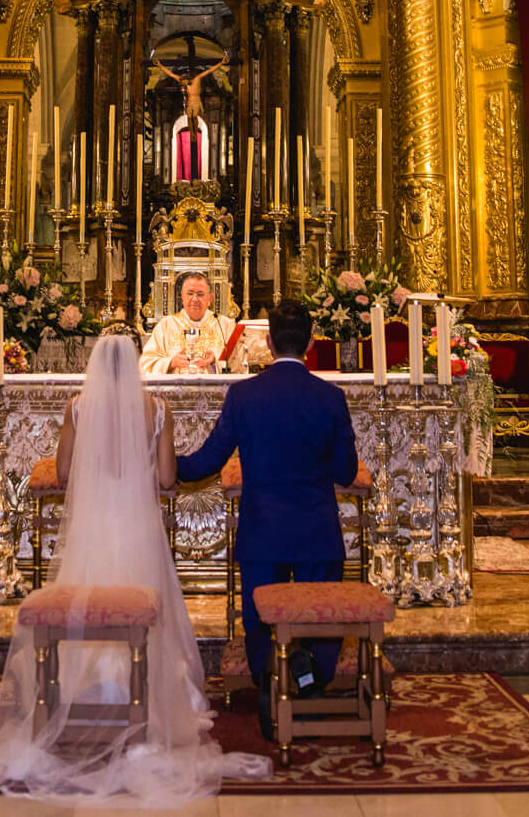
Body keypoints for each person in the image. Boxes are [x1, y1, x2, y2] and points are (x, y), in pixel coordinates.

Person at [0, 338, 269, 802]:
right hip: (138, 529)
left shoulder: (78, 407)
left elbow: (63, 473)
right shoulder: (157, 408)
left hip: (91, 529)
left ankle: (78, 689)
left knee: (84, 600)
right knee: (140, 609)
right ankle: (143, 698)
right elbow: (167, 479)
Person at [175, 300, 360, 739]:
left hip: (263, 532)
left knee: (259, 619)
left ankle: (271, 673)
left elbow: (205, 463)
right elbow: (347, 472)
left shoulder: (243, 394)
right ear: (311, 344)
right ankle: (312, 670)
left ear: (270, 343)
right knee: (323, 613)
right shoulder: (331, 398)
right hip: (317, 533)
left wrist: (162, 461)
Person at [138, 272, 237, 374]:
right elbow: (145, 364)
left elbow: (240, 366)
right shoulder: (166, 326)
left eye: (200, 294)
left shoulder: (225, 326)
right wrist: (171, 362)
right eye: (190, 293)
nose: (194, 299)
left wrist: (214, 362)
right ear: (182, 296)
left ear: (210, 299)